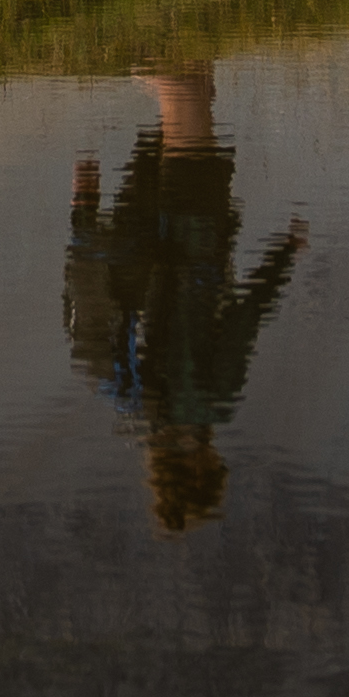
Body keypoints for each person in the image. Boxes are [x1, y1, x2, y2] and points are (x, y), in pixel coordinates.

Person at [59, 63, 303, 533]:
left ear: (199, 468)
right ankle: (158, 51)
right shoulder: (132, 411)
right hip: (152, 239)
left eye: (217, 466)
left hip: (197, 234)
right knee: (197, 94)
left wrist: (283, 255)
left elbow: (243, 320)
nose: (218, 456)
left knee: (187, 100)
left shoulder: (212, 401)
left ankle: (140, 54)